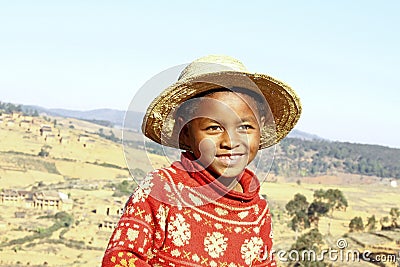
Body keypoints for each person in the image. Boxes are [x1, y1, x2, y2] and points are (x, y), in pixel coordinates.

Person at [102, 55, 302, 266]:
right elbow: (119, 259)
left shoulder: (257, 212)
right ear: (185, 132)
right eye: (213, 128)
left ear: (260, 129)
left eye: (245, 127)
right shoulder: (161, 190)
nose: (231, 141)